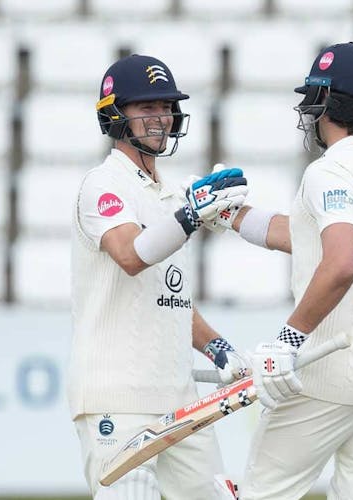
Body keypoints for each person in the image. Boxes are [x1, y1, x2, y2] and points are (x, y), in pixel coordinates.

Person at [208, 43, 353, 499]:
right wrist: (234, 217)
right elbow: (308, 236)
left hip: (330, 371)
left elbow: (342, 260)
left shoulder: (330, 171)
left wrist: (288, 340)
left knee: (259, 493)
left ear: (328, 103)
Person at [67, 54, 250, 500]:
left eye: (165, 107)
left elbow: (168, 300)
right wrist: (189, 216)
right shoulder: (103, 185)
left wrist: (217, 347)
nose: (160, 119)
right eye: (145, 108)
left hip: (180, 399)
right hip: (118, 400)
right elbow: (131, 256)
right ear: (115, 115)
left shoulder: (170, 195)